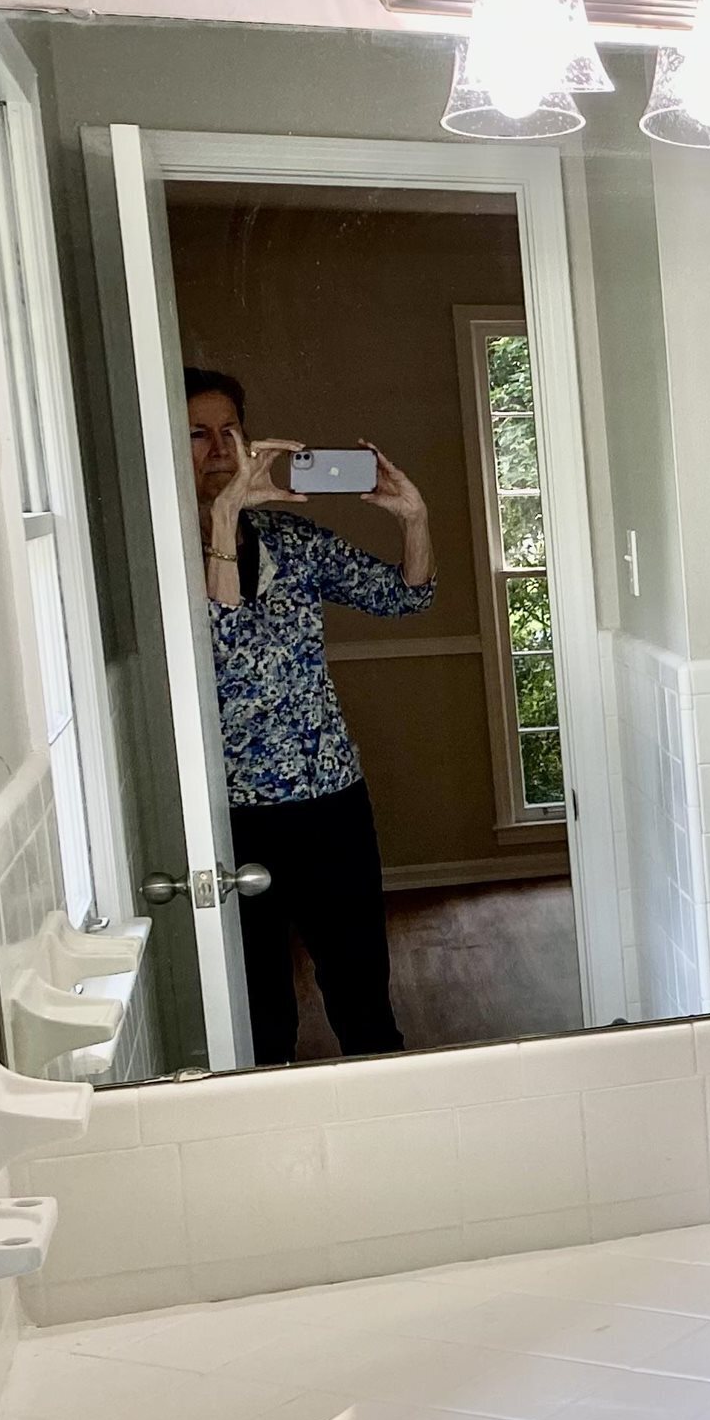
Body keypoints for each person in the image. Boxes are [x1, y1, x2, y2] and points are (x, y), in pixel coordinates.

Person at [188, 366, 434, 1062]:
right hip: (234, 815)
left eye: (230, 432)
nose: (219, 449)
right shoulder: (156, 553)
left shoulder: (291, 540)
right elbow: (224, 647)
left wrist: (413, 517)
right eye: (198, 435)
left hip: (332, 801)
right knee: (261, 1012)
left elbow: (405, 598)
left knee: (362, 995)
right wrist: (226, 517)